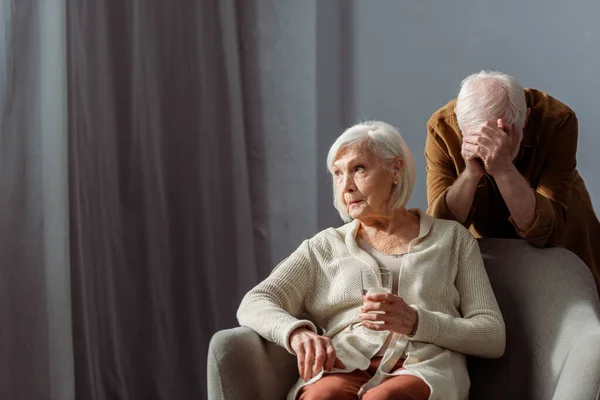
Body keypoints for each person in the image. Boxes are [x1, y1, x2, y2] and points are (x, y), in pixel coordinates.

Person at [237, 121, 505, 400]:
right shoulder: (324, 246)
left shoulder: (452, 239)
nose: (346, 186)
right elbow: (256, 301)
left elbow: (492, 335)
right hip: (345, 364)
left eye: (358, 169)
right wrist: (296, 333)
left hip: (423, 367)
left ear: (396, 170)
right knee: (322, 397)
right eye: (338, 174)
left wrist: (415, 321)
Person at [425, 70, 600, 294]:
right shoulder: (443, 126)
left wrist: (503, 168)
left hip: (566, 234)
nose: (490, 148)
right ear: (459, 119)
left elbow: (547, 232)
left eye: (504, 134)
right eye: (477, 137)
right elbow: (441, 231)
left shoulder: (557, 120)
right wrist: (470, 175)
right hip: (492, 243)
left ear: (525, 118)